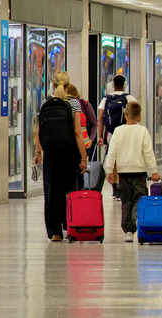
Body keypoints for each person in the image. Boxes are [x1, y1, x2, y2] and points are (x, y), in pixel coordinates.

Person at [34, 71, 89, 242]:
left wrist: (38, 153)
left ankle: (55, 232)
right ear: (68, 85)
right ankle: (70, 226)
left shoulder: (45, 103)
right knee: (71, 190)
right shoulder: (74, 103)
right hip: (69, 152)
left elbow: (38, 131)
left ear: (52, 84)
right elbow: (78, 133)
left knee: (52, 191)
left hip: (51, 153)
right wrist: (84, 158)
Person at [104, 101, 160, 243]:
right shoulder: (143, 131)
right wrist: (154, 170)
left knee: (126, 202)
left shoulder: (118, 131)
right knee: (139, 200)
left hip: (123, 173)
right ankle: (138, 222)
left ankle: (128, 231)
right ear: (139, 116)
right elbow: (148, 153)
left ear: (125, 114)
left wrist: (109, 169)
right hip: (139, 173)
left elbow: (112, 152)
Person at [97, 74, 138, 200]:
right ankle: (121, 187)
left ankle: (115, 189)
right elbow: (136, 114)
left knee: (113, 158)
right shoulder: (129, 97)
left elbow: (100, 118)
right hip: (125, 132)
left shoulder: (106, 99)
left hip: (110, 133)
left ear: (113, 85)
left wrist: (100, 136)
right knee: (123, 158)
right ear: (125, 84)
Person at [65, 84, 97, 190]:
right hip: (72, 144)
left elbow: (94, 123)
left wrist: (91, 139)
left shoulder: (84, 105)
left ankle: (77, 194)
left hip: (81, 144)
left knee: (79, 172)